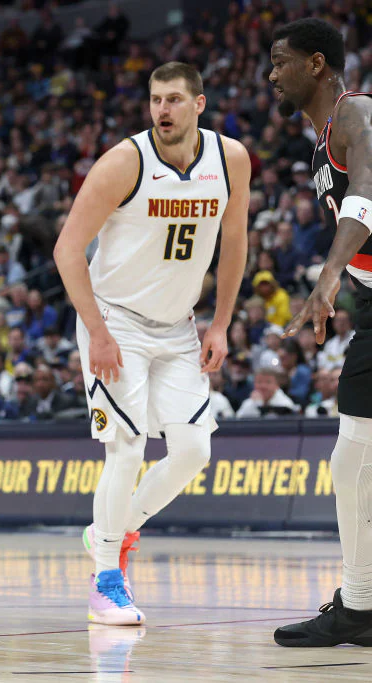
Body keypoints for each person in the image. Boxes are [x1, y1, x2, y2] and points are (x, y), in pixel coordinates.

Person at [53, 62, 250, 625]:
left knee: (193, 451)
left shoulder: (231, 159)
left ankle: (109, 532)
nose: (162, 110)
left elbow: (234, 243)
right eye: (154, 100)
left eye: (173, 100)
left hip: (180, 325)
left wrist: (220, 324)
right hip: (117, 322)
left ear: (199, 104)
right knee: (127, 448)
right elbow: (68, 250)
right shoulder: (123, 162)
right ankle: (107, 581)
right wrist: (96, 331)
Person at [270, 17, 372, 647]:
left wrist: (329, 276)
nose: (270, 74)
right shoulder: (322, 140)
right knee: (353, 456)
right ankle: (360, 603)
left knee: (352, 457)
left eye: (279, 62)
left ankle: (360, 605)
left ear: (315, 63)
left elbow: (368, 188)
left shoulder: (355, 110)